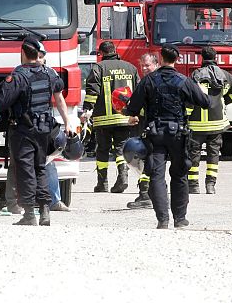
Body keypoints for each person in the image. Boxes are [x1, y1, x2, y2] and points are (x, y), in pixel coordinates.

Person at [123, 44, 211, 229]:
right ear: (177, 59)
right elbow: (205, 103)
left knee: (156, 176)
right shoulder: (184, 80)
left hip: (155, 135)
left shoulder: (149, 81)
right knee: (179, 175)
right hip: (178, 134)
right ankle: (180, 218)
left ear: (160, 58)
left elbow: (132, 108)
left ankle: (162, 220)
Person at [0, 35, 72, 226]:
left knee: (25, 169)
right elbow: (59, 98)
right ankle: (45, 211)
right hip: (44, 129)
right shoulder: (49, 73)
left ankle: (29, 214)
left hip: (23, 130)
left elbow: (0, 102)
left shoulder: (18, 76)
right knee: (40, 168)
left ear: (23, 53)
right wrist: (67, 122)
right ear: (38, 54)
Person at [188, 46, 232, 195]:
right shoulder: (224, 75)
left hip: (196, 124)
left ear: (201, 57)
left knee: (194, 155)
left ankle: (193, 186)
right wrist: (224, 101)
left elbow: (188, 97)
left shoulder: (195, 75)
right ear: (216, 57)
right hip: (217, 124)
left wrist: (185, 115)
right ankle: (210, 185)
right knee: (213, 154)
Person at [83, 41, 139, 193]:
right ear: (115, 50)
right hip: (124, 118)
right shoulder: (131, 68)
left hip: (103, 119)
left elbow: (92, 92)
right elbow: (138, 92)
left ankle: (102, 183)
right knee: (120, 149)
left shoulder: (98, 68)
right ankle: (123, 177)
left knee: (102, 150)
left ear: (101, 53)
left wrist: (87, 110)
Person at [126, 52, 159, 210]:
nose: (144, 68)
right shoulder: (164, 79)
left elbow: (136, 106)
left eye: (148, 65)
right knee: (156, 163)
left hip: (150, 128)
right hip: (165, 128)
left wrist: (131, 113)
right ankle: (156, 195)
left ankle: (146, 195)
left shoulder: (146, 82)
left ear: (156, 64)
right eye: (143, 65)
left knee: (146, 161)